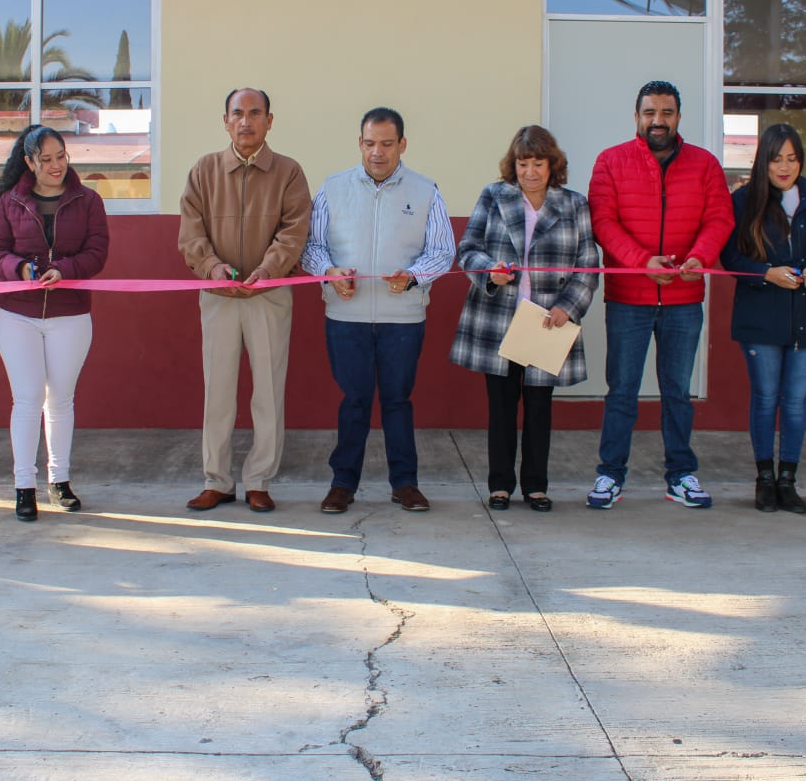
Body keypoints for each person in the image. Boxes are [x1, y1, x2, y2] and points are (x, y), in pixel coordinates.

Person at [587, 81, 734, 510]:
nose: (658, 120)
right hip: (629, 297)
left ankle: (681, 475)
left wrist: (699, 258)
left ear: (678, 118)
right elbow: (603, 221)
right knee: (622, 391)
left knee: (677, 392)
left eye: (666, 112)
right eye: (650, 112)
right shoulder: (611, 162)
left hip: (684, 300)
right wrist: (640, 262)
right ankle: (610, 475)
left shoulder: (704, 165)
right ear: (636, 117)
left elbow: (720, 218)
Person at [301, 107, 455, 515]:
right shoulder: (332, 189)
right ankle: (342, 483)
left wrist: (415, 275)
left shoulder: (425, 191)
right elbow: (312, 247)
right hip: (345, 318)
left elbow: (442, 251)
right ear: (360, 144)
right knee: (353, 400)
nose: (378, 153)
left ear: (402, 145)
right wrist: (329, 272)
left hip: (402, 318)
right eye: (370, 143)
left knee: (397, 401)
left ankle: (405, 483)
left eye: (387, 144)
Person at [450, 126, 599, 512]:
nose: (530, 172)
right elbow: (468, 248)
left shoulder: (574, 204)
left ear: (553, 166)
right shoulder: (494, 195)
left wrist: (568, 306)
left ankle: (536, 486)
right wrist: (489, 271)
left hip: (549, 322)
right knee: (500, 408)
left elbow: (588, 265)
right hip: (498, 319)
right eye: (522, 164)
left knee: (538, 407)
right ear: (512, 165)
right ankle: (499, 485)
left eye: (538, 163)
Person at [178, 87, 312, 513]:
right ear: (225, 120)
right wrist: (212, 266)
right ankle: (216, 480)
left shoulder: (288, 172)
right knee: (217, 390)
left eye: (255, 113)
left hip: (268, 296)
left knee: (268, 392)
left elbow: (294, 230)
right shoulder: (204, 170)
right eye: (238, 113)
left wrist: (268, 270)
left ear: (270, 120)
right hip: (218, 296)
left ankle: (259, 480)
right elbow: (191, 232)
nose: (246, 121)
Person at [0, 125, 111, 523]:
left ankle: (60, 480)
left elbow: (97, 252)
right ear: (29, 163)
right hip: (17, 314)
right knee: (26, 399)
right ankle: (24, 486)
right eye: (46, 159)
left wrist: (65, 269)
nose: (56, 165)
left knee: (60, 399)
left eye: (61, 156)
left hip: (70, 314)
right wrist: (18, 268)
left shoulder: (88, 200)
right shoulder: (10, 201)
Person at [718, 124, 806, 514]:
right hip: (761, 315)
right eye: (777, 160)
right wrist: (766, 273)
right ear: (764, 162)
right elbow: (729, 257)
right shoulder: (743, 201)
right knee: (765, 398)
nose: (785, 167)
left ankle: (788, 479)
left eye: (792, 159)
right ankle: (764, 479)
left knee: (795, 402)